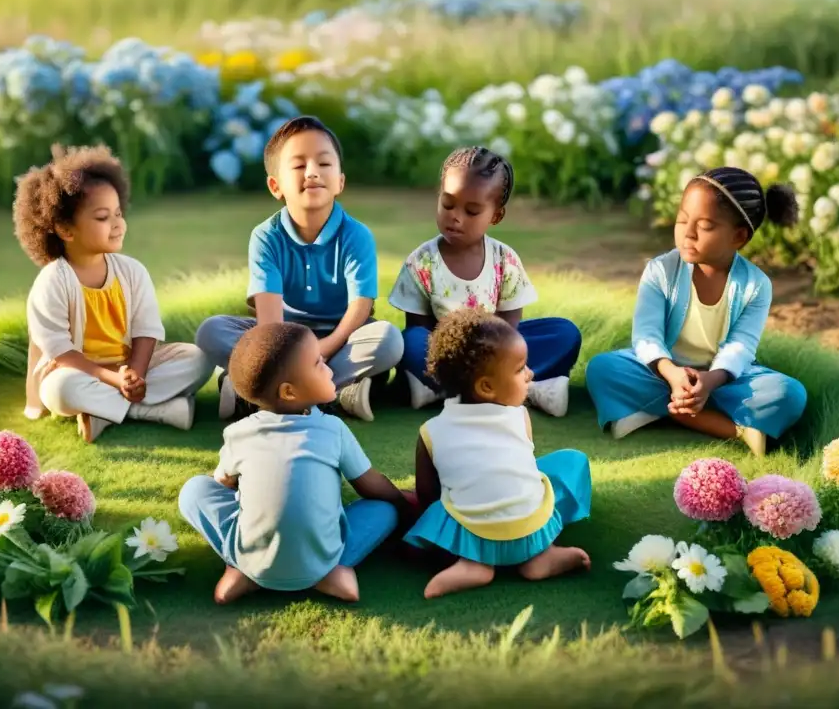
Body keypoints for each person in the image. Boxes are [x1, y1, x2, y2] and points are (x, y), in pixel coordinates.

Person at [179, 322, 412, 604]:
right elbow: (371, 486)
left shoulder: (237, 434)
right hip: (324, 560)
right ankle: (333, 573)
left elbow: (222, 485)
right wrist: (402, 504)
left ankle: (242, 569)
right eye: (317, 363)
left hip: (256, 563)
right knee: (383, 509)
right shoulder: (333, 429)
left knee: (193, 490)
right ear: (289, 392)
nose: (327, 365)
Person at [585, 166, 808, 456]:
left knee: (790, 394)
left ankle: (670, 411)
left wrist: (709, 381)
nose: (688, 234)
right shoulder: (660, 270)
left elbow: (741, 346)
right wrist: (673, 374)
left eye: (704, 226)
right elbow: (646, 335)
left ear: (738, 237)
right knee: (603, 369)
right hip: (662, 372)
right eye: (682, 220)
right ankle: (730, 427)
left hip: (723, 382)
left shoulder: (756, 285)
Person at [196, 116, 403, 423]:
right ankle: (330, 394)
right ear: (275, 185)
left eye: (324, 164)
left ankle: (256, 393)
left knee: (388, 339)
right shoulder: (265, 236)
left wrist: (325, 346)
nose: (312, 173)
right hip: (281, 337)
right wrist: (294, 355)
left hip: (340, 338)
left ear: (340, 181)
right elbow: (269, 323)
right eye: (298, 165)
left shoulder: (357, 235)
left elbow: (361, 307)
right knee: (211, 331)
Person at [15, 144, 212, 443]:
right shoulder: (52, 282)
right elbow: (61, 352)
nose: (118, 224)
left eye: (118, 213)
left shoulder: (132, 272)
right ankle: (155, 411)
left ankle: (100, 411)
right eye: (103, 217)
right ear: (66, 230)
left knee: (200, 359)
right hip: (78, 372)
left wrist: (136, 373)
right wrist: (113, 379)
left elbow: (146, 330)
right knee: (59, 391)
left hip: (130, 366)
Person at [404, 308, 592, 599]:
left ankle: (472, 564)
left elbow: (427, 494)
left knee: (441, 506)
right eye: (521, 369)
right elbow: (524, 470)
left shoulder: (430, 430)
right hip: (529, 529)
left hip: (470, 533)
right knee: (571, 463)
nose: (530, 374)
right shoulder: (519, 416)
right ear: (487, 387)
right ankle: (541, 555)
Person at [388, 146, 581, 416]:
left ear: (496, 216)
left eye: (472, 211)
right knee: (409, 342)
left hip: (498, 352)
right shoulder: (421, 262)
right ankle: (514, 388)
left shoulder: (505, 260)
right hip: (446, 357)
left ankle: (451, 391)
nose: (456, 216)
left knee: (565, 333)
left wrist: (499, 359)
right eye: (448, 204)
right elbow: (419, 330)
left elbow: (510, 330)